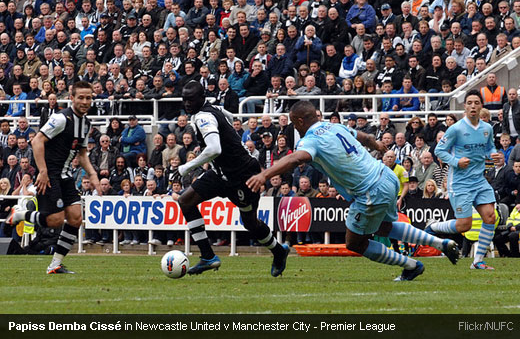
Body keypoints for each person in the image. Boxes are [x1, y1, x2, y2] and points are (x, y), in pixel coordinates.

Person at [247, 101, 460, 281]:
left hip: (370, 190)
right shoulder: (335, 127)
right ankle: (441, 243)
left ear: (300, 121)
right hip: (386, 176)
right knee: (384, 227)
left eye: (294, 124)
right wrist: (378, 146)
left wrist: (263, 175)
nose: (295, 128)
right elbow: (366, 138)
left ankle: (412, 266)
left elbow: (295, 158)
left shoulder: (310, 140)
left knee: (355, 242)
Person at [176, 81, 289, 276]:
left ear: (201, 98)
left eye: (191, 99)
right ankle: (208, 256)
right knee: (185, 201)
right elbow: (227, 115)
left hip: (242, 176)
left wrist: (188, 166)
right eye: (184, 100)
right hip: (221, 174)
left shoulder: (203, 117)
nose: (187, 104)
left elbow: (214, 149)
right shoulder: (210, 109)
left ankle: (279, 251)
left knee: (250, 223)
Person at [6, 81, 101, 274]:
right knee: (55, 221)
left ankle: (55, 264)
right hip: (49, 176)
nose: (85, 101)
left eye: (88, 97)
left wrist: (92, 174)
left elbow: (82, 154)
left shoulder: (86, 124)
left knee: (76, 219)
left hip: (65, 176)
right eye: (81, 97)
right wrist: (42, 171)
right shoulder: (60, 118)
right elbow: (37, 140)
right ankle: (20, 214)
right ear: (72, 98)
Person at [428, 90, 501, 270]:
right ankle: (433, 226)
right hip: (460, 183)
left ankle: (477, 261)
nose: (473, 106)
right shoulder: (456, 129)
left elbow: (489, 148)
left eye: (476, 102)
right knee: (464, 225)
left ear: (481, 105)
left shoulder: (487, 128)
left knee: (490, 217)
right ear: (465, 106)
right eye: (469, 103)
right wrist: (456, 161)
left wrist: (495, 156)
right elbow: (439, 151)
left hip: (479, 180)